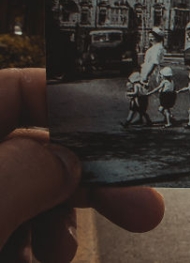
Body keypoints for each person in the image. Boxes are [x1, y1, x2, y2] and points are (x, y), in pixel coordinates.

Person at [0, 68, 165, 261]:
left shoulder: (137, 87)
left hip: (137, 103)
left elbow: (136, 94)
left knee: (135, 113)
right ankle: (132, 124)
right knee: (136, 114)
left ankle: (131, 124)